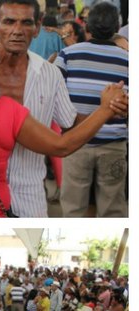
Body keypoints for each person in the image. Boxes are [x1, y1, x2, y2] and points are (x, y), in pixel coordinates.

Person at [0, 0, 128, 217]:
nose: (17, 31)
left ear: (36, 28)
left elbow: (69, 125)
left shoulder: (49, 74)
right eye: (9, 22)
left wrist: (107, 108)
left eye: (26, 23)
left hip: (29, 195)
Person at [56, 1, 129, 217]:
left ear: (87, 26)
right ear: (117, 27)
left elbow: (55, 97)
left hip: (75, 143)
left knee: (72, 208)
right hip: (113, 144)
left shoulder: (67, 55)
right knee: (113, 208)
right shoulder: (129, 60)